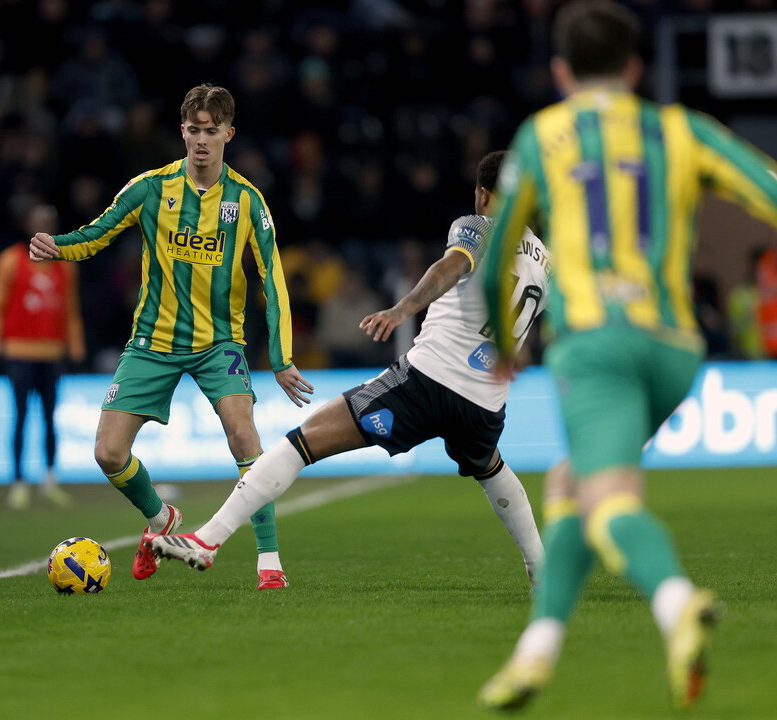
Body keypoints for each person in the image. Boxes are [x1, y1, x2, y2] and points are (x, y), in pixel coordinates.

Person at [477, 1, 777, 711]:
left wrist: (508, 340)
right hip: (676, 347)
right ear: (635, 67)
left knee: (608, 502)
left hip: (597, 346)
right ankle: (537, 651)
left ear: (560, 71)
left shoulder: (543, 135)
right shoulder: (681, 130)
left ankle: (678, 606)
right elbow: (768, 189)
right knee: (570, 485)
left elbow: (498, 257)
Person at [144, 151, 547, 593]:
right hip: (484, 401)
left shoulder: (480, 226)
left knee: (303, 441)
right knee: (491, 468)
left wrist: (402, 308)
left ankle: (207, 540)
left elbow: (450, 266)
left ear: (484, 193)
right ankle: (542, 569)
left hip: (427, 380)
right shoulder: (544, 261)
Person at [28, 84, 314, 591]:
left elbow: (273, 276)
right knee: (107, 453)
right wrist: (58, 246)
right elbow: (98, 233)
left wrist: (282, 356)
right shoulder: (150, 188)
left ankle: (269, 562)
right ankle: (161, 520)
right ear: (182, 131)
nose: (202, 141)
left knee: (244, 435)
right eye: (194, 131)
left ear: (229, 133)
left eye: (212, 132)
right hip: (153, 340)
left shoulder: (247, 200)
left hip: (219, 341)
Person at [0, 204, 86, 510]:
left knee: (50, 417)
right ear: (28, 226)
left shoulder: (65, 265)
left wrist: (75, 346)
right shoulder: (10, 260)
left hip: (52, 352)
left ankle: (50, 479)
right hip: (19, 350)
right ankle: (18, 481)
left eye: (48, 222)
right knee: (20, 416)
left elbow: (70, 309)